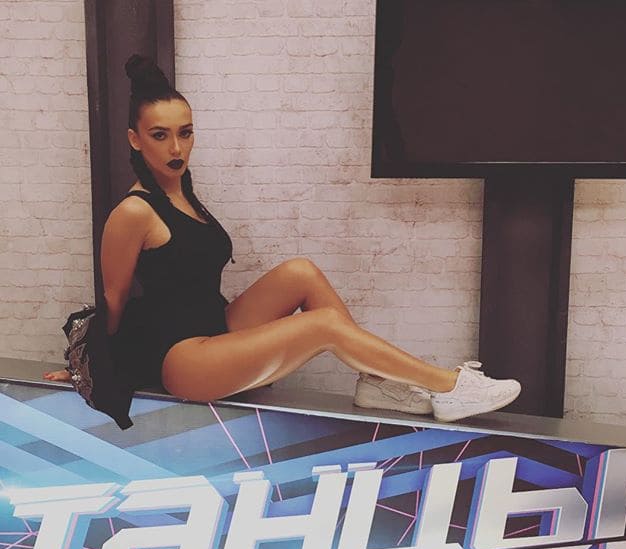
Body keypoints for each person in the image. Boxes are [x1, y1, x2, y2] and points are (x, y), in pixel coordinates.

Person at [44, 54, 521, 423]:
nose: (176, 148)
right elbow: (114, 302)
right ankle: (448, 386)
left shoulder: (184, 193)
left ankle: (378, 383)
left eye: (185, 134)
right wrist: (87, 369)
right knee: (324, 325)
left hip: (215, 328)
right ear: (134, 139)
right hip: (184, 359)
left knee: (300, 272)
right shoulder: (133, 211)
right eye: (159, 135)